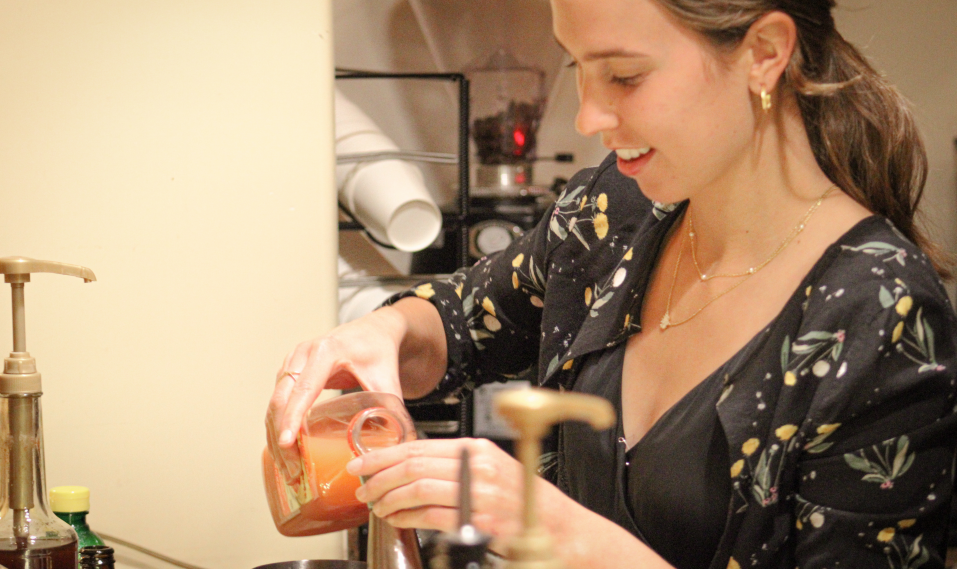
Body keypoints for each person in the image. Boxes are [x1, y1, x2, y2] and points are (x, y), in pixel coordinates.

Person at [267, 0, 957, 567]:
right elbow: (459, 320)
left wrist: (566, 536)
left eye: (623, 77)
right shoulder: (616, 212)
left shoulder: (881, 312)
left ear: (764, 53)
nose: (588, 118)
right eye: (579, 69)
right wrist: (384, 332)